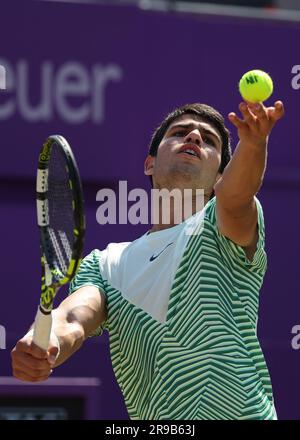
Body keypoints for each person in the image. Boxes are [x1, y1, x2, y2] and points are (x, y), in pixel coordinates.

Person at [11, 100, 284, 420]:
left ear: (220, 177)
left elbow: (237, 197)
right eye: (180, 132)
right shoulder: (105, 263)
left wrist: (252, 143)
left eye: (208, 140)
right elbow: (74, 318)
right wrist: (45, 342)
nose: (194, 136)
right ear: (149, 163)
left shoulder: (222, 228)